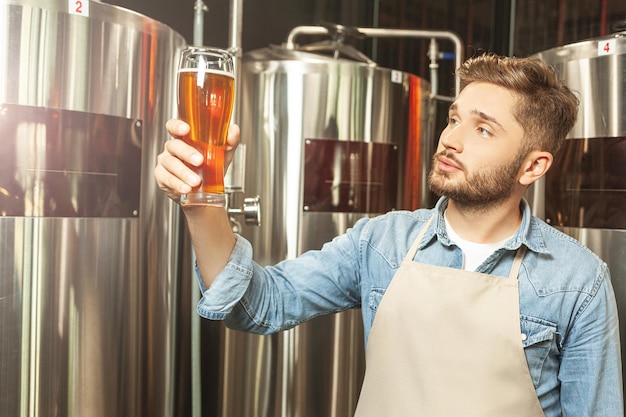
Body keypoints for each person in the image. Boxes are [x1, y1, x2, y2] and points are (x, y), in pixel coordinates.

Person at [154, 54, 623, 417]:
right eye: (454, 118)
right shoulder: (381, 242)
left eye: (483, 129)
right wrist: (201, 199)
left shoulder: (577, 281)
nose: (451, 139)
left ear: (534, 165)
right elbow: (258, 304)